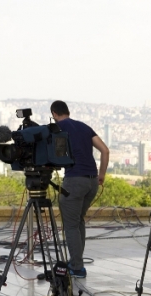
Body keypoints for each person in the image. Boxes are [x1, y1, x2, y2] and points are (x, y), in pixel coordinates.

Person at [50, 100, 109, 278]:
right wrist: (101, 175)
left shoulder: (58, 129)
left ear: (54, 114)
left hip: (74, 180)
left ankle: (76, 267)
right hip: (92, 182)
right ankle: (77, 261)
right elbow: (105, 151)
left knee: (70, 225)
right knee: (78, 221)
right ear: (67, 111)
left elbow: (58, 156)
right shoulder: (84, 127)